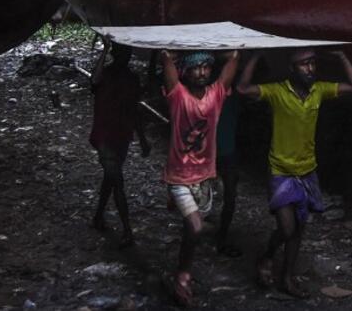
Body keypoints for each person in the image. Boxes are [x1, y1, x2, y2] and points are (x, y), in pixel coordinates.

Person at [235, 48, 352, 298]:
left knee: (299, 230)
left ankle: (287, 278)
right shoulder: (277, 91)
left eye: (313, 63)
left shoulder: (319, 90)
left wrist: (342, 57)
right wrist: (256, 57)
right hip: (281, 171)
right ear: (292, 69)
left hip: (307, 171)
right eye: (304, 64)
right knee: (287, 228)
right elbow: (242, 89)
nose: (310, 69)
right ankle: (267, 256)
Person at [161, 48, 240, 306]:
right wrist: (174, 53)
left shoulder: (216, 95)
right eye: (195, 68)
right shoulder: (178, 96)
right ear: (185, 72)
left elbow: (234, 58)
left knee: (192, 229)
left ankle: (183, 268)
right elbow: (166, 58)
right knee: (196, 227)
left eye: (206, 67)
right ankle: (182, 276)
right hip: (179, 176)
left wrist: (218, 51)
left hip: (205, 176)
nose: (201, 72)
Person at [88, 42, 150, 248]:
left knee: (111, 179)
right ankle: (127, 229)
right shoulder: (104, 74)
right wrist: (104, 50)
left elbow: (135, 110)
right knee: (117, 181)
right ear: (115, 53)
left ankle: (98, 216)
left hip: (121, 136)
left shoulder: (132, 79)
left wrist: (142, 139)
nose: (126, 56)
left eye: (127, 52)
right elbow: (93, 81)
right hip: (104, 136)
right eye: (122, 52)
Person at [213, 89, 243, 258]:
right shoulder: (206, 92)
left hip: (226, 152)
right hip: (211, 152)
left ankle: (222, 237)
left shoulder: (234, 95)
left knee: (230, 197)